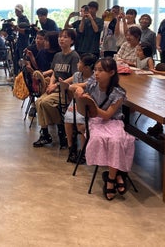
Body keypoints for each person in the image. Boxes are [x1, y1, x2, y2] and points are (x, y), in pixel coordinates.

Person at [71, 57, 135, 201]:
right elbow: (71, 87)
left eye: (100, 70)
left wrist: (91, 103)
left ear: (111, 72)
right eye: (95, 70)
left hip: (113, 121)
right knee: (100, 138)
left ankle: (111, 178)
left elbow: (107, 115)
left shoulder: (118, 93)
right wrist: (79, 88)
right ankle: (117, 175)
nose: (96, 73)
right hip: (94, 121)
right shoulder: (92, 83)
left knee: (116, 140)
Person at [33, 29, 79, 148]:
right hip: (55, 88)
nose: (61, 39)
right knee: (38, 102)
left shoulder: (74, 56)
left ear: (72, 41)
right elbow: (54, 72)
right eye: (60, 37)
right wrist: (51, 84)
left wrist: (57, 85)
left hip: (66, 90)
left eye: (65, 37)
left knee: (46, 102)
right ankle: (45, 134)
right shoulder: (57, 55)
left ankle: (61, 129)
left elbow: (75, 76)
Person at [62, 53, 98, 163]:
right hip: (76, 101)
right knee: (67, 119)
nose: (77, 64)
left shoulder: (94, 77)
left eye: (80, 62)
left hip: (88, 103)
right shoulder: (77, 75)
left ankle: (83, 151)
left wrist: (75, 87)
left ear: (86, 67)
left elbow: (74, 86)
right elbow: (68, 86)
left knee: (80, 122)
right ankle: (71, 147)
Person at [13, 4, 30, 75]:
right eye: (15, 11)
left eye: (18, 11)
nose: (16, 12)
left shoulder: (25, 20)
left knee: (22, 59)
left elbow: (26, 32)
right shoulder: (19, 19)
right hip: (19, 42)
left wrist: (17, 28)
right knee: (16, 59)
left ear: (22, 11)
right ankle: (16, 74)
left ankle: (23, 75)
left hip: (24, 43)